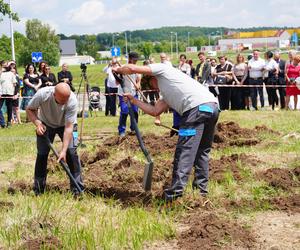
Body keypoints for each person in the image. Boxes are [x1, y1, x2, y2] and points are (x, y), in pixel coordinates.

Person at [113, 63, 219, 202]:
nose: (155, 89)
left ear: (152, 78)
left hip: (195, 109)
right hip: (212, 107)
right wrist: (134, 101)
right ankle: (201, 192)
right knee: (201, 152)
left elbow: (132, 69)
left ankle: (174, 195)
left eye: (152, 86)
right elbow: (155, 111)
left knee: (184, 151)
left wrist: (119, 70)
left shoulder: (163, 69)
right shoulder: (168, 92)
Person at [26, 83, 84, 196]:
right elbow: (29, 109)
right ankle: (39, 189)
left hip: (69, 125)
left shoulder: (72, 100)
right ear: (54, 95)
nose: (64, 103)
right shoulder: (42, 94)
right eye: (61, 100)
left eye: (66, 100)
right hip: (45, 124)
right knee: (42, 155)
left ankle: (77, 189)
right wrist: (38, 124)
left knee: (72, 153)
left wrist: (63, 151)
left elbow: (69, 128)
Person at [117, 52, 141, 136]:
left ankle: (134, 129)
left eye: (137, 60)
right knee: (124, 111)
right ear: (130, 59)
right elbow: (117, 81)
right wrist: (120, 73)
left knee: (135, 111)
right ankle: (122, 130)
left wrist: (138, 85)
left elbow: (138, 79)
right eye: (134, 60)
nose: (136, 62)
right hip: (124, 94)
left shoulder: (137, 68)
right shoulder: (123, 67)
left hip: (134, 93)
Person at [0, 63, 17, 128]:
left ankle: (9, 122)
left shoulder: (11, 74)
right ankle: (2, 123)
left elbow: (14, 84)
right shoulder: (2, 74)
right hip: (2, 93)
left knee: (9, 108)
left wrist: (14, 94)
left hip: (10, 93)